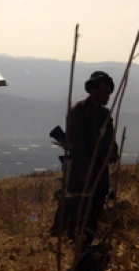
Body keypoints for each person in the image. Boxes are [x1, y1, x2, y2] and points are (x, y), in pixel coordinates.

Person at [50, 71, 119, 247]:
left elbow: (110, 139)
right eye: (104, 93)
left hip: (99, 167)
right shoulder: (79, 111)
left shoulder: (104, 114)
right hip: (82, 166)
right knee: (76, 202)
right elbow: (77, 142)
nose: (107, 97)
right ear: (93, 90)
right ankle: (70, 237)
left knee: (97, 201)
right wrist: (84, 167)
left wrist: (113, 153)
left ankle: (87, 237)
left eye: (109, 93)